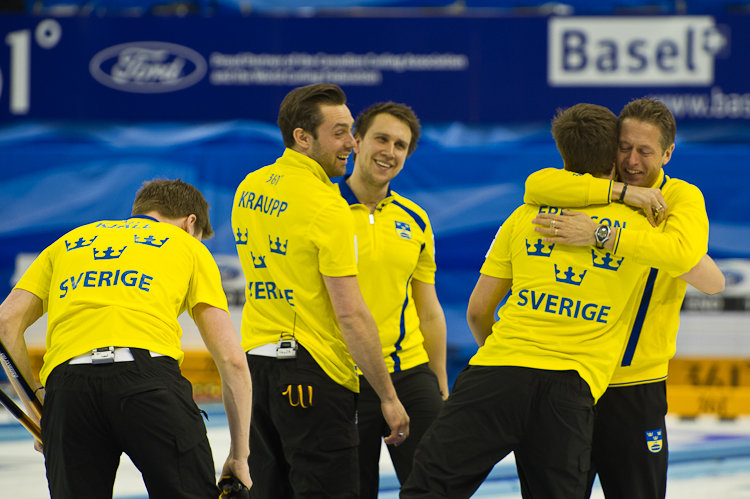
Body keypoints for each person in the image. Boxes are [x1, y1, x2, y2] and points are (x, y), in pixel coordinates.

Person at [400, 103, 659, 499]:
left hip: (498, 371)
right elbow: (703, 273)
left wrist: (509, 357)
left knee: (428, 489)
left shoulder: (524, 216)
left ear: (562, 155)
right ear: (615, 158)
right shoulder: (640, 227)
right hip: (569, 387)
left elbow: (478, 310)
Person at [0, 179, 252, 498]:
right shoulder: (186, 245)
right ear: (191, 224)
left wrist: (38, 408)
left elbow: (5, 323)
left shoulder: (68, 242)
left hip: (69, 392)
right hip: (148, 385)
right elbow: (232, 359)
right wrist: (239, 457)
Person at [524, 97, 725, 499]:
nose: (631, 160)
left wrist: (602, 234)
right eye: (624, 147)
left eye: (645, 151)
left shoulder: (683, 198)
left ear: (668, 153)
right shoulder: (594, 188)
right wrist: (622, 196)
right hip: (571, 378)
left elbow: (691, 262)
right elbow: (535, 184)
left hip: (636, 384)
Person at [231, 83, 409, 498]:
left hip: (255, 372)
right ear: (302, 136)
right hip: (314, 373)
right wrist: (386, 395)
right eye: (341, 132)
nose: (353, 142)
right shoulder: (327, 205)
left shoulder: (249, 188)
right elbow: (349, 312)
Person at [336, 102, 448, 497]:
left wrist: (439, 384)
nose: (390, 151)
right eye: (381, 139)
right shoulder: (322, 210)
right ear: (356, 141)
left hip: (408, 370)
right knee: (352, 489)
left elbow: (429, 310)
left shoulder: (415, 219)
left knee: (437, 483)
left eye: (401, 145)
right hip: (341, 374)